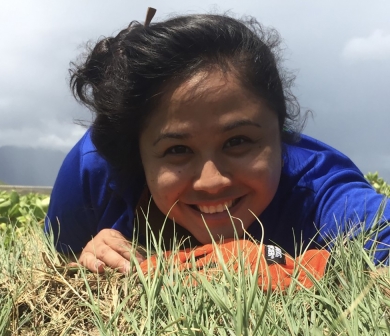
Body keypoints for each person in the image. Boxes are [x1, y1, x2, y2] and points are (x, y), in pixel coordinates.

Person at [45, 12, 390, 274]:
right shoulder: (95, 169)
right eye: (177, 149)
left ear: (281, 133)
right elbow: (55, 270)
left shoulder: (318, 188)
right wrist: (88, 260)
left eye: (237, 141)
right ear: (137, 150)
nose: (211, 182)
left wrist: (262, 259)